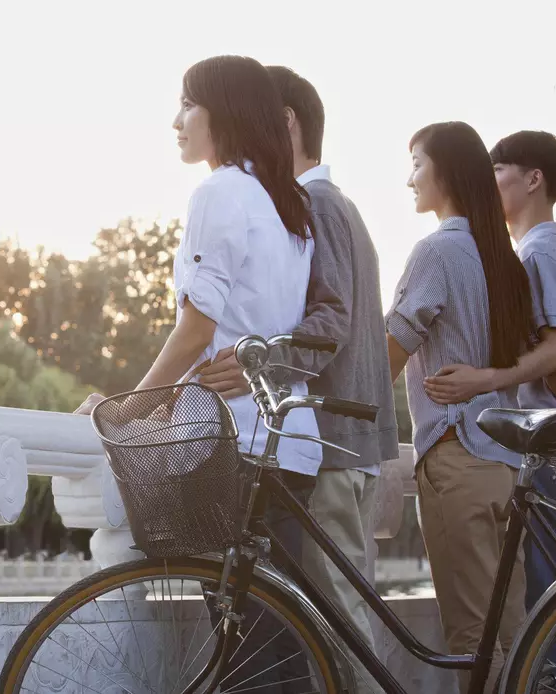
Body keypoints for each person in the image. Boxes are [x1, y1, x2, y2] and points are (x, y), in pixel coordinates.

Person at [76, 54, 320, 692]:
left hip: (231, 442)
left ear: (225, 113)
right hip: (291, 440)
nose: (176, 121)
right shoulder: (286, 205)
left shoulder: (218, 193)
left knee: (247, 648)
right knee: (278, 641)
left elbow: (197, 328)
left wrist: (131, 406)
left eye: (188, 104)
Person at [198, 66, 398, 691]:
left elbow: (332, 317)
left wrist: (263, 361)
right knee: (332, 614)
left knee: (337, 621)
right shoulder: (336, 208)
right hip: (348, 440)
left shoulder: (319, 204)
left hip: (331, 440)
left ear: (285, 123)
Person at [423, 130, 556, 694]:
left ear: (533, 179)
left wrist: (488, 379)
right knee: (542, 616)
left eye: (499, 169)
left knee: (544, 618)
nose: (488, 180)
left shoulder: (539, 254)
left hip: (547, 449)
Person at [386, 121, 536, 693]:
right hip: (505, 466)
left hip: (455, 458)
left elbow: (388, 355)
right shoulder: (503, 258)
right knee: (517, 638)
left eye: (418, 165)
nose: (410, 180)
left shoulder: (437, 251)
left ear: (444, 172)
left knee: (472, 642)